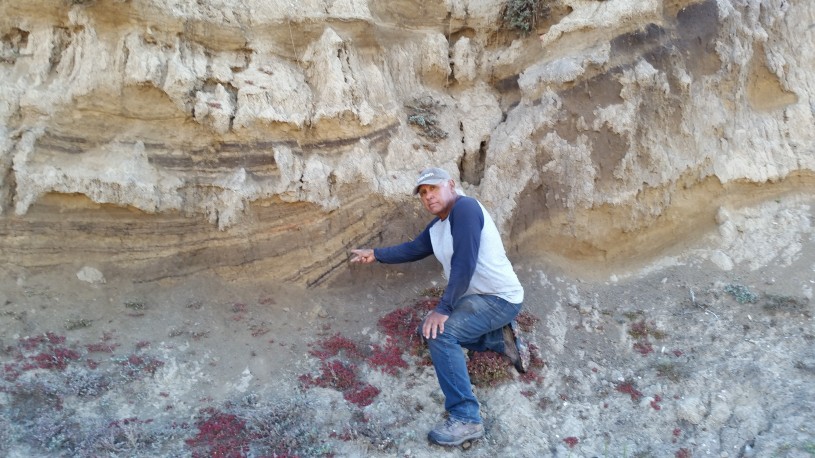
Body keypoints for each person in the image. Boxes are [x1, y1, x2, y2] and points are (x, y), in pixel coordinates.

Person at [350, 166, 529, 447]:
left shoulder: (466, 208)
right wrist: (376, 254)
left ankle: (467, 419)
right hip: (477, 300)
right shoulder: (439, 226)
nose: (428, 196)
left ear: (451, 185)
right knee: (432, 330)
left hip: (500, 298)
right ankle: (499, 338)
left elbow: (464, 264)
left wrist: (443, 308)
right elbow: (413, 249)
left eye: (433, 188)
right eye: (423, 192)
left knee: (440, 332)